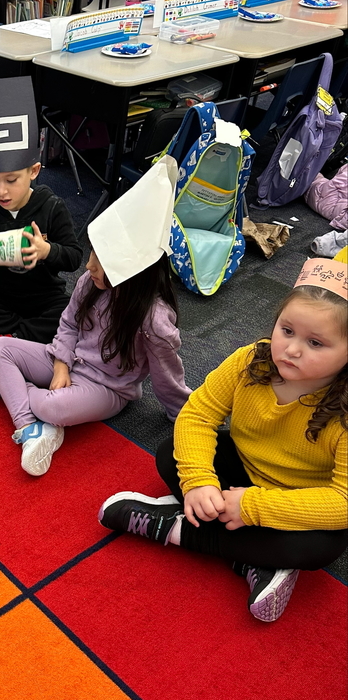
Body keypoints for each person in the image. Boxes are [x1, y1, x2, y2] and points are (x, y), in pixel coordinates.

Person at [99, 257, 348, 623]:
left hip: (300, 500)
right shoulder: (250, 361)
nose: (292, 350)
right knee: (170, 455)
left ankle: (171, 527)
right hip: (244, 470)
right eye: (286, 330)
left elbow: (342, 500)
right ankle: (256, 559)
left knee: (321, 546)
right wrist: (200, 481)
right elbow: (197, 415)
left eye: (315, 343)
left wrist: (254, 507)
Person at [0, 157, 191, 476]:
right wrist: (60, 363)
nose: (88, 268)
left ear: (130, 273)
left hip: (107, 387)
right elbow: (69, 323)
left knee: (51, 406)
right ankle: (29, 422)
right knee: (0, 349)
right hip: (67, 360)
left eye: (100, 264)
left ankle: (18, 401)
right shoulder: (91, 282)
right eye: (92, 257)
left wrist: (183, 413)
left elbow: (167, 374)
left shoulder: (153, 318)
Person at [0, 77, 82, 373]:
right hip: (5, 299)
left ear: (34, 171)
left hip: (46, 297)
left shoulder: (51, 206)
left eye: (11, 181)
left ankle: (8, 342)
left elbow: (74, 257)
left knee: (74, 315)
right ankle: (23, 342)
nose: (1, 191)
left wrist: (46, 251)